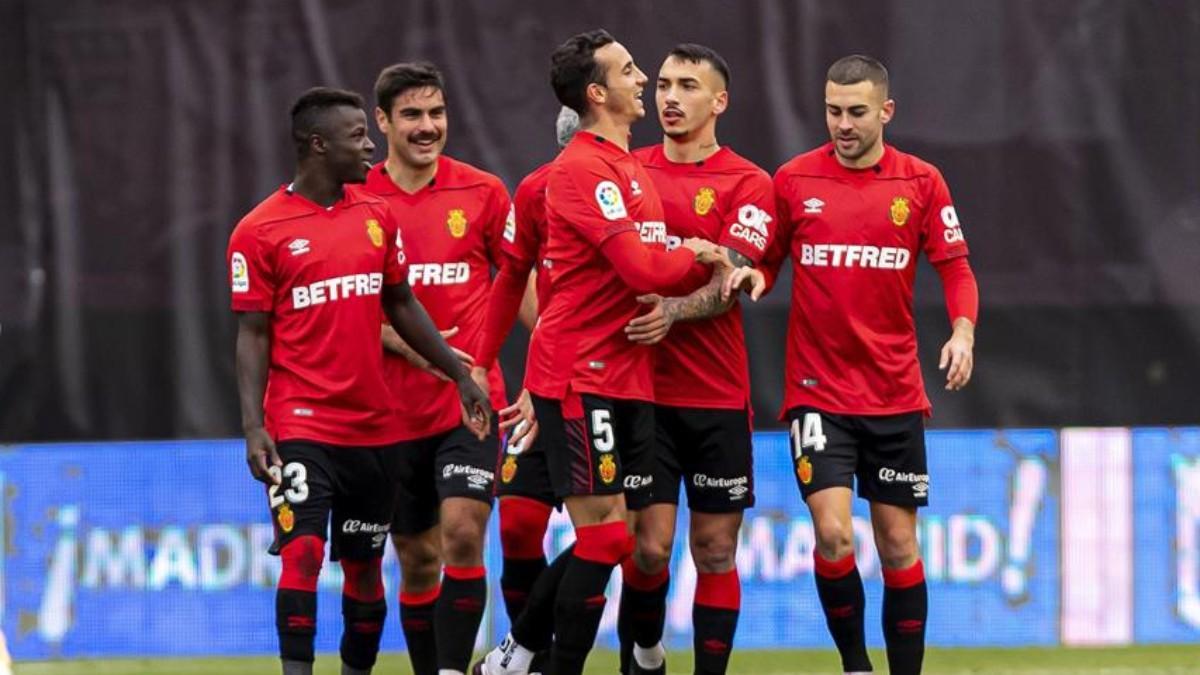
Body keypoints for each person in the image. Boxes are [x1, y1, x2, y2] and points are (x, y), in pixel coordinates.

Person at [476, 29, 725, 675]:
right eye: (630, 70)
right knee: (606, 536)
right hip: (580, 374)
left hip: (628, 377)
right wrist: (696, 253)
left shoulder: (630, 167)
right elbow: (641, 267)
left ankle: (521, 652)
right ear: (597, 92)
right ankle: (527, 654)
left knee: (626, 539)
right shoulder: (583, 168)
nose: (643, 78)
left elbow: (636, 270)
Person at [725, 55, 979, 675]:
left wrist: (963, 332)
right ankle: (855, 667)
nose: (843, 123)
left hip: (894, 392)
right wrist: (750, 278)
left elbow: (955, 267)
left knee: (898, 544)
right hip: (818, 393)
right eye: (834, 110)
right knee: (834, 535)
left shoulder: (921, 183)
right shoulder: (792, 181)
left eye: (857, 112)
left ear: (885, 112)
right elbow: (767, 258)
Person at [228, 87, 490, 675]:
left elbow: (402, 304)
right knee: (301, 553)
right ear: (318, 145)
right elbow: (253, 334)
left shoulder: (377, 215)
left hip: (374, 427)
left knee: (366, 565)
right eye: (357, 135)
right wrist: (252, 426)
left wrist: (458, 373)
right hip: (300, 422)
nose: (371, 144)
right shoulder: (259, 230)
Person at [616, 43, 775, 675]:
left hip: (714, 394)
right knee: (648, 549)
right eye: (662, 84)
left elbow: (729, 276)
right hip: (642, 393)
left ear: (720, 101)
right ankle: (646, 658)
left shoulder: (749, 182)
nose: (670, 97)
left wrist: (674, 311)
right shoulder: (628, 173)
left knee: (713, 550)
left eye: (687, 85)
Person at [364, 62, 520, 675]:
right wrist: (411, 345)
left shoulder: (483, 192)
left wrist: (557, 358)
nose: (428, 128)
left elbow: (518, 284)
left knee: (462, 533)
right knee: (418, 559)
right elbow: (345, 311)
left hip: (471, 400)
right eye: (412, 116)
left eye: (437, 114)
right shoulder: (358, 200)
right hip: (391, 413)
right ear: (382, 122)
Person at [474, 105, 581, 675]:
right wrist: (549, 360)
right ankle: (528, 657)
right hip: (546, 386)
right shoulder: (536, 192)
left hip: (613, 391)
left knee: (616, 539)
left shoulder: (635, 185)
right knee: (516, 523)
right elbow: (515, 276)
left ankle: (539, 651)